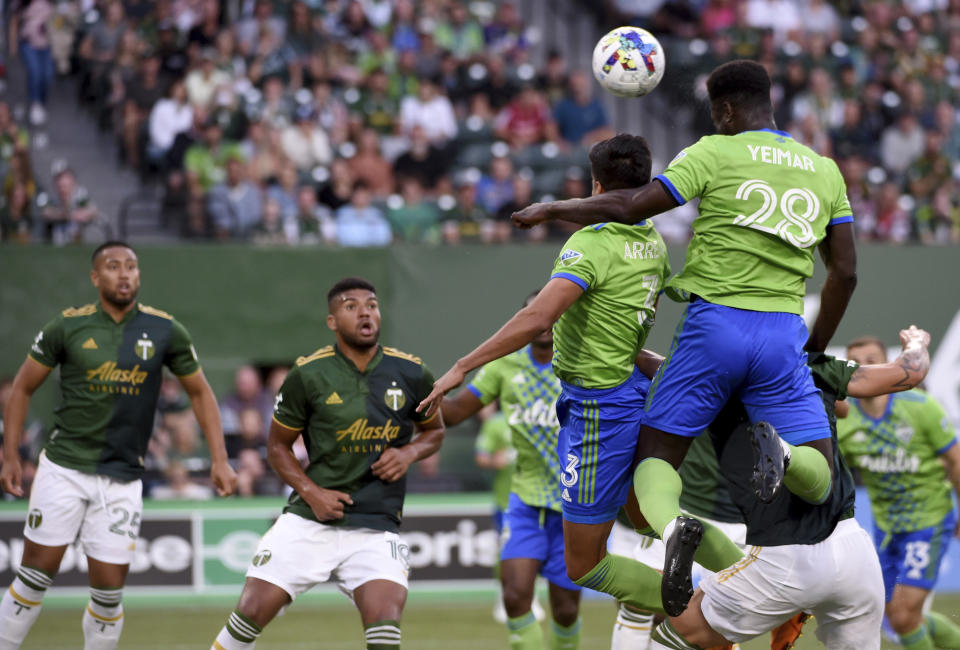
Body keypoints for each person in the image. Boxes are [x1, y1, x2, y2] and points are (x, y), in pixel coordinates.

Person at [513, 60, 858, 615]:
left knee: (656, 458)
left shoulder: (712, 152)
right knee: (820, 477)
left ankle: (675, 529)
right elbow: (845, 274)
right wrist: (813, 350)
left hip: (715, 325)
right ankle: (788, 456)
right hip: (782, 334)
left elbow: (630, 205)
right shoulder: (825, 169)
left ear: (723, 110)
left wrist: (555, 207)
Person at [420, 134, 696, 616]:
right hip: (633, 391)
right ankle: (739, 574)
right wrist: (551, 209)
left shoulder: (589, 244)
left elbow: (537, 319)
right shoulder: (652, 241)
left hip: (597, 408)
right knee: (645, 515)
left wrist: (462, 366)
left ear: (595, 184)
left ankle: (710, 610)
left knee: (583, 566)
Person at [0, 241, 237, 649]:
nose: (124, 273)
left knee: (109, 594)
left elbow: (200, 393)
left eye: (131, 266)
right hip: (64, 469)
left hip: (123, 477)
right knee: (35, 577)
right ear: (95, 277)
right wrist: (10, 456)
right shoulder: (67, 327)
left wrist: (220, 458)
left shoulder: (165, 330)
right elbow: (21, 388)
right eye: (113, 266)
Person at [645, 325, 933, 650]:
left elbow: (660, 368)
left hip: (784, 556)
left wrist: (625, 352)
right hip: (854, 551)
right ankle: (787, 456)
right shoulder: (813, 367)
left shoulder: (713, 375)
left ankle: (785, 456)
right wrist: (916, 343)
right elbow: (909, 373)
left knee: (677, 635)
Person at [210, 277, 445, 650]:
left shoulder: (412, 372)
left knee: (385, 629)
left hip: (375, 524)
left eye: (371, 304)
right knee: (249, 615)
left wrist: (409, 452)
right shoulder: (308, 374)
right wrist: (312, 492)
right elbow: (277, 448)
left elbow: (435, 432)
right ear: (332, 322)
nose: (365, 311)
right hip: (309, 520)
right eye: (350, 306)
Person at [441, 290, 581, 650]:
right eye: (534, 313)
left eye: (550, 313)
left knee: (565, 610)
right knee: (516, 594)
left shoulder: (583, 363)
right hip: (524, 500)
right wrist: (420, 395)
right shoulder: (504, 366)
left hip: (573, 504)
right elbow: (455, 413)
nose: (544, 322)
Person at [837, 335, 960, 650]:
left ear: (889, 365)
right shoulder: (846, 423)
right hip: (887, 530)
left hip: (929, 521)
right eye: (856, 362)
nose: (864, 367)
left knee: (903, 616)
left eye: (872, 359)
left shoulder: (920, 407)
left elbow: (956, 461)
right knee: (892, 616)